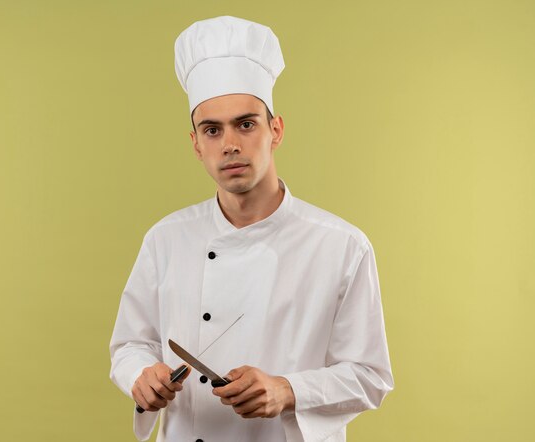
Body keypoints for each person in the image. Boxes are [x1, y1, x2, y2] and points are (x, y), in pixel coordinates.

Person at [109, 16, 393, 442]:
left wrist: (288, 389)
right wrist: (140, 375)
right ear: (195, 144)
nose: (230, 145)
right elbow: (131, 344)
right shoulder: (166, 239)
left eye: (246, 124)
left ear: (275, 130)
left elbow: (370, 376)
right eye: (212, 130)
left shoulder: (342, 246)